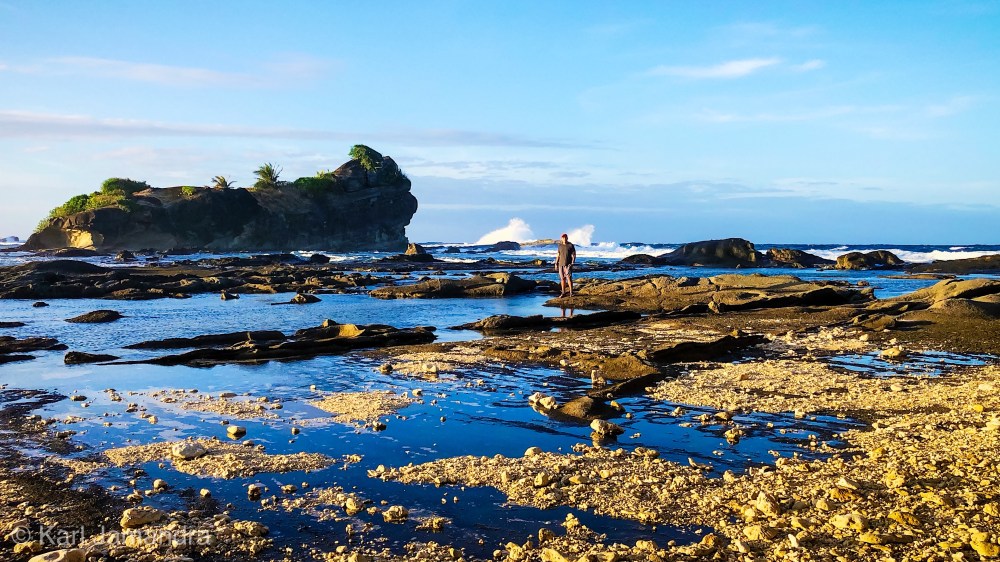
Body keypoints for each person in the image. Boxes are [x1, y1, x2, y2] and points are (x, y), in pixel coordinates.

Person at [555, 233, 576, 297]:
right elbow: (558, 255)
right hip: (560, 264)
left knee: (569, 278)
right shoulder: (560, 246)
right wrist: (556, 263)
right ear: (561, 238)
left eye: (565, 237)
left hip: (568, 265)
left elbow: (574, 255)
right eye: (563, 237)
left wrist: (572, 263)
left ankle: (571, 293)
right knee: (562, 279)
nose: (564, 239)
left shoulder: (570, 245)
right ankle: (563, 293)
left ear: (567, 238)